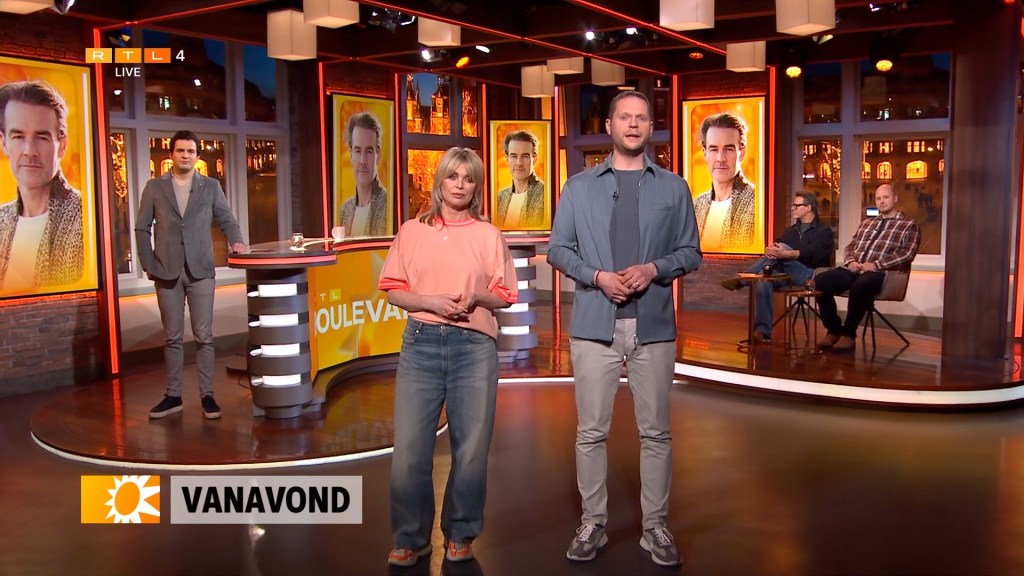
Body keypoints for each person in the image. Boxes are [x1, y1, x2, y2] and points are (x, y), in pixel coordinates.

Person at [548, 90, 702, 567]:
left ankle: (655, 527)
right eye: (624, 117)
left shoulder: (674, 187)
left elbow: (690, 252)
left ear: (650, 127)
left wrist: (654, 269)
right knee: (590, 432)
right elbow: (558, 249)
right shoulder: (578, 187)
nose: (633, 124)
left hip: (652, 327)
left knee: (656, 433)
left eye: (641, 118)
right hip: (594, 326)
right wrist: (597, 276)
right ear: (610, 126)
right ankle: (593, 523)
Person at [378, 147, 517, 568]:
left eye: (468, 178)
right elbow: (393, 290)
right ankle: (410, 537)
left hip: (473, 348)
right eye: (453, 176)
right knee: (410, 449)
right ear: (439, 181)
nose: (459, 184)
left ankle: (460, 533)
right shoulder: (411, 231)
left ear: (476, 187)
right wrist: (431, 302)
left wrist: (476, 296)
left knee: (471, 449)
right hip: (420, 344)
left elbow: (506, 295)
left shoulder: (488, 235)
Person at [136, 130, 247, 420]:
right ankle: (173, 396)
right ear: (171, 154)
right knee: (172, 337)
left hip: (201, 271)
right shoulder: (154, 187)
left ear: (197, 156)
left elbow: (226, 218)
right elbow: (141, 228)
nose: (185, 155)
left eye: (190, 151)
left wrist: (236, 240)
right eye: (180, 150)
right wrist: (149, 263)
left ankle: (207, 396)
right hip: (166, 271)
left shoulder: (210, 186)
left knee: (204, 337)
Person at [0, 80, 83, 293]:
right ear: (4, 143)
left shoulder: (85, 216)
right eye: (18, 137)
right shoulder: (1, 220)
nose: (29, 150)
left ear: (62, 145)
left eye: (42, 137)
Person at [815, 184, 920, 351]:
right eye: (878, 198)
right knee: (820, 281)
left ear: (895, 199)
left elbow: (907, 254)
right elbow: (851, 246)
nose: (881, 201)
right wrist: (851, 261)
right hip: (855, 268)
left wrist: (875, 265)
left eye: (885, 197)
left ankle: (848, 333)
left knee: (861, 285)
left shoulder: (908, 225)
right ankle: (834, 330)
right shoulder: (867, 223)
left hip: (880, 273)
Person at [720, 191, 834, 342]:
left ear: (808, 208)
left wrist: (787, 254)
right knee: (763, 279)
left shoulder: (823, 231)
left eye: (796, 206)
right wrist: (770, 250)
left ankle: (743, 278)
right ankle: (762, 331)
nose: (792, 208)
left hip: (809, 275)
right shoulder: (791, 230)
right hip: (786, 274)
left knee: (782, 248)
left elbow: (817, 255)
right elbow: (777, 248)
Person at [692, 111, 756, 251]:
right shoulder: (697, 205)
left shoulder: (757, 202)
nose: (720, 158)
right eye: (714, 149)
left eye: (728, 149)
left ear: (742, 153)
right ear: (704, 153)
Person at [339, 111, 388, 237]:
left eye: (369, 151)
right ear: (351, 155)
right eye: (358, 151)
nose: (362, 161)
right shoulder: (344, 210)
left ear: (378, 155)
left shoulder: (388, 206)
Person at [495, 129, 546, 230]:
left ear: (534, 158)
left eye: (525, 156)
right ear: (507, 158)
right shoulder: (500, 197)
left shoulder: (546, 194)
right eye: (514, 156)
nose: (519, 163)